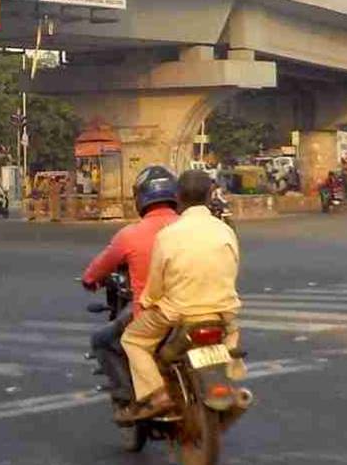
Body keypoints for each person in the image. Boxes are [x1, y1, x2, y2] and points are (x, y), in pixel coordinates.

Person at [120, 169, 242, 421]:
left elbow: (155, 286)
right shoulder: (225, 230)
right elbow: (233, 266)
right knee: (231, 341)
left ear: (178, 197)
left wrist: (147, 302)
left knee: (133, 340)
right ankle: (232, 382)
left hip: (179, 312)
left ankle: (156, 394)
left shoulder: (168, 236)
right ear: (210, 195)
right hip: (222, 310)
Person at [80, 166, 180, 411]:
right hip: (199, 304)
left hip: (155, 310)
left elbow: (97, 269)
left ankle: (128, 392)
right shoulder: (189, 228)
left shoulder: (130, 234)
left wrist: (90, 280)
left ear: (141, 198)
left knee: (103, 340)